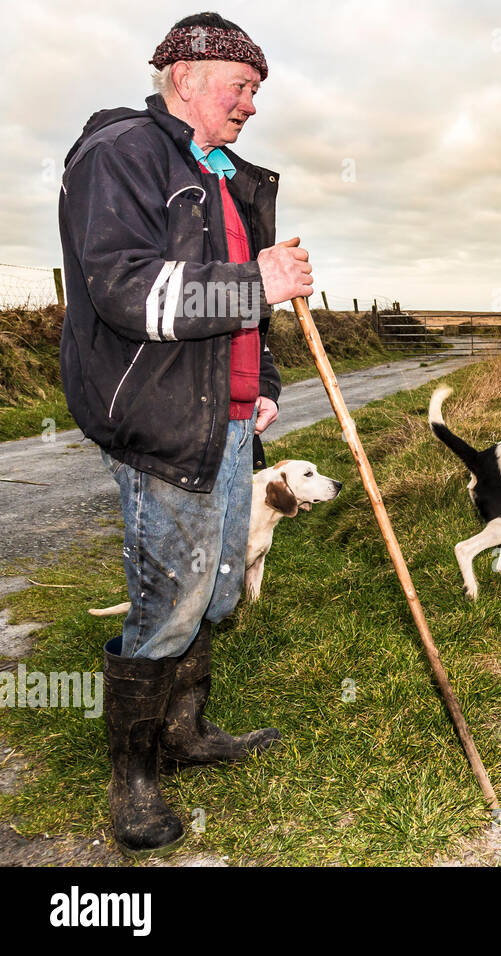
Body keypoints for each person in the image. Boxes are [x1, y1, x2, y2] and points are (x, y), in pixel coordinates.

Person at [58, 12, 313, 856]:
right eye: (242, 87)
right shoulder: (121, 155)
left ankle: (185, 732)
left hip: (232, 417)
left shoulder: (228, 175)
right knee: (169, 604)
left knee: (219, 587)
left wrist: (264, 384)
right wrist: (258, 280)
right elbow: (127, 291)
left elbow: (247, 315)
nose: (250, 106)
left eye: (255, 92)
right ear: (187, 75)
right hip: (165, 419)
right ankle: (132, 780)